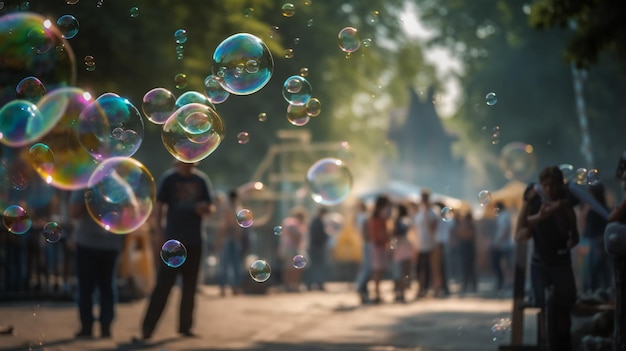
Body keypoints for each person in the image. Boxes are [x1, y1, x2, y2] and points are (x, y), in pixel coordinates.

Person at [138, 161, 215, 340]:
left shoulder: (201, 180)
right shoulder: (169, 179)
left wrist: (204, 209)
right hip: (172, 242)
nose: (187, 164)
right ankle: (147, 328)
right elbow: (158, 208)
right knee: (163, 286)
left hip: (195, 241)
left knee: (190, 287)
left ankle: (185, 327)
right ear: (177, 160)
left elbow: (211, 206)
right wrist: (158, 234)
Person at [516, 166, 579, 351]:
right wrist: (536, 212)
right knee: (543, 310)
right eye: (546, 186)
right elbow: (519, 232)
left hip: (561, 265)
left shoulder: (567, 204)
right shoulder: (536, 204)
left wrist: (561, 210)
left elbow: (574, 237)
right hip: (540, 264)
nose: (549, 190)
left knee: (564, 312)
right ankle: (546, 344)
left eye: (553, 185)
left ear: (561, 185)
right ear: (541, 186)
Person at [69, 189, 125, 338]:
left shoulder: (118, 185)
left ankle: (101, 327)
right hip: (92, 244)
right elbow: (74, 212)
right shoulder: (88, 186)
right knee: (93, 287)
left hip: (104, 245)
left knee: (102, 286)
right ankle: (90, 326)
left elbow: (129, 214)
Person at [582, 183, 612, 293]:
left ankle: (597, 293)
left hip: (598, 243)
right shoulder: (599, 209)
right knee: (601, 270)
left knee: (595, 270)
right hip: (598, 243)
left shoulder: (596, 210)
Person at [216, 189, 244, 296]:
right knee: (230, 263)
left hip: (231, 238)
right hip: (230, 237)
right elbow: (225, 225)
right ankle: (231, 287)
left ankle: (231, 287)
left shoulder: (232, 207)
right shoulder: (235, 208)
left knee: (230, 263)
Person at [414, 190, 438, 299]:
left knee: (427, 267)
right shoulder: (419, 212)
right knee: (419, 268)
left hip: (429, 244)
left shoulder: (431, 213)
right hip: (419, 244)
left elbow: (432, 228)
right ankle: (420, 287)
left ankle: (426, 288)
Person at [368, 195, 391, 303]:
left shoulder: (374, 217)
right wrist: (388, 239)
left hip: (376, 245)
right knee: (378, 271)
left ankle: (377, 293)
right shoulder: (380, 218)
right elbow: (382, 233)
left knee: (378, 271)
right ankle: (376, 294)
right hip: (379, 246)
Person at [278, 207, 307, 292]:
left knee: (291, 268)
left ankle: (291, 286)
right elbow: (295, 235)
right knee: (292, 269)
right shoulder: (292, 222)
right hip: (291, 248)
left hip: (291, 248)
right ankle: (291, 285)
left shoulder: (293, 222)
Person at [391, 202, 414, 302]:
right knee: (405, 271)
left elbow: (395, 234)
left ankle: (398, 292)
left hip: (400, 246)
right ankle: (402, 292)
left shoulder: (399, 222)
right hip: (406, 246)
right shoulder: (408, 220)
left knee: (399, 272)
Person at [490, 201, 514, 292]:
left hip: (504, 245)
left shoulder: (504, 216)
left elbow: (506, 230)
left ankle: (505, 282)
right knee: (504, 264)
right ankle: (504, 282)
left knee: (504, 264)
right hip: (502, 244)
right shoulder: (502, 216)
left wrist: (498, 242)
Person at [306, 207, 329, 291]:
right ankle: (317, 284)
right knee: (317, 266)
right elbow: (317, 236)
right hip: (317, 246)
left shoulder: (315, 221)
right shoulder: (317, 221)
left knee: (315, 266)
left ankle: (312, 284)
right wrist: (326, 236)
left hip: (315, 246)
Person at [432, 202, 452, 297]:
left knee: (441, 267)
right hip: (443, 244)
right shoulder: (446, 218)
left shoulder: (440, 219)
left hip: (440, 244)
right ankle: (444, 287)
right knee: (443, 267)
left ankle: (443, 287)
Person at [354, 201, 372, 303]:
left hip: (364, 243)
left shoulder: (359, 217)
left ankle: (362, 288)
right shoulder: (364, 217)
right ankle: (361, 288)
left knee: (365, 267)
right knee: (367, 268)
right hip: (367, 244)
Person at [456, 211, 477, 294]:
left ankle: (470, 285)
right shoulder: (469, 225)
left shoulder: (469, 225)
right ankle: (468, 285)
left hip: (468, 248)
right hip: (468, 248)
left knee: (468, 268)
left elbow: (467, 235)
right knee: (467, 268)